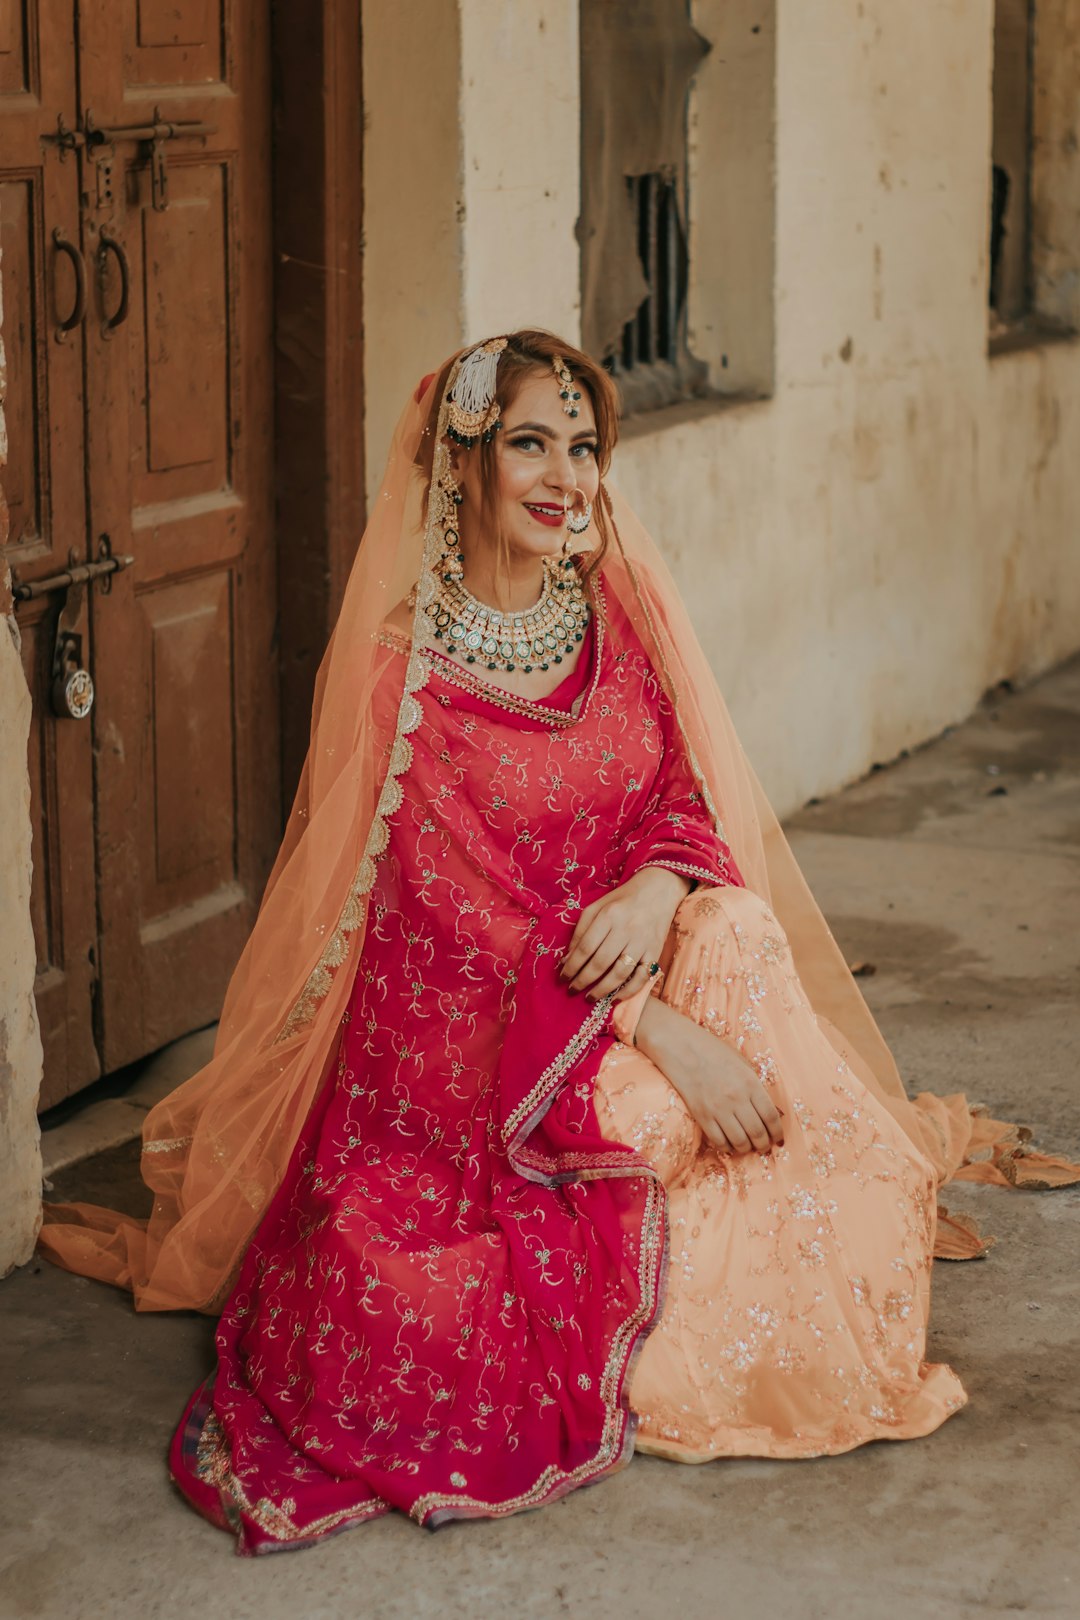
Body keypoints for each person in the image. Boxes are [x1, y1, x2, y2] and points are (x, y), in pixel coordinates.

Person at [39, 331, 1078, 1555]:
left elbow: (673, 796)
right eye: (532, 441)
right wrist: (656, 1028)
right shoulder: (401, 676)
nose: (568, 475)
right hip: (478, 1039)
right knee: (607, 1156)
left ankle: (764, 1231)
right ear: (463, 462)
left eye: (583, 446)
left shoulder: (608, 618)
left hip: (615, 968)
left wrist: (649, 892)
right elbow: (450, 927)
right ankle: (688, 1288)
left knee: (735, 924)